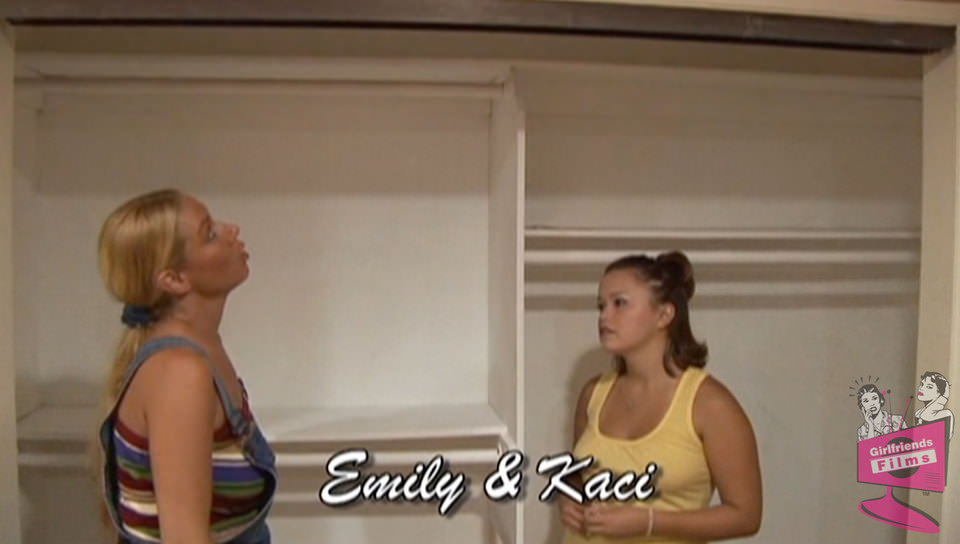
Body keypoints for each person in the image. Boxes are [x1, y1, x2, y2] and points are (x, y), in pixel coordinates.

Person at [91, 189, 277, 544]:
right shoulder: (180, 374)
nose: (232, 230)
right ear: (174, 279)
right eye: (210, 234)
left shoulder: (203, 349)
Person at [560, 251, 762, 543]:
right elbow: (577, 474)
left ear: (664, 315)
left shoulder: (710, 404)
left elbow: (746, 516)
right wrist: (570, 499)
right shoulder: (593, 394)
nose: (604, 316)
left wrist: (650, 522)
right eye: (601, 306)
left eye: (620, 303)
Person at [915, 371, 954, 440]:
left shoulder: (946, 414)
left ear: (940, 393)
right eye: (922, 384)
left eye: (929, 387)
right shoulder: (918, 413)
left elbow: (944, 440)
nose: (921, 388)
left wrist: (944, 398)